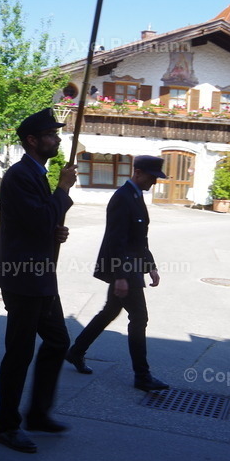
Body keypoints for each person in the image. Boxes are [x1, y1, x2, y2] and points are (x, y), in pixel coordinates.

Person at [0, 108, 78, 453]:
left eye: (57, 135)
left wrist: (56, 229)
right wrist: (63, 191)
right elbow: (39, 219)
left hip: (40, 276)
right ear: (32, 140)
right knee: (19, 353)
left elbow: (42, 222)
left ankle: (38, 413)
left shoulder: (36, 173)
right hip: (22, 278)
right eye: (51, 135)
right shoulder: (20, 176)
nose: (57, 140)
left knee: (57, 341)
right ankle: (6, 426)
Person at [65, 155, 170, 391]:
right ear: (138, 172)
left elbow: (139, 238)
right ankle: (142, 376)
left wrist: (150, 265)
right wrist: (120, 276)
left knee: (110, 310)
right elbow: (117, 240)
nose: (154, 182)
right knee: (139, 317)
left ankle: (76, 351)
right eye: (152, 177)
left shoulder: (136, 196)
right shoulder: (123, 198)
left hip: (131, 267)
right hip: (125, 269)